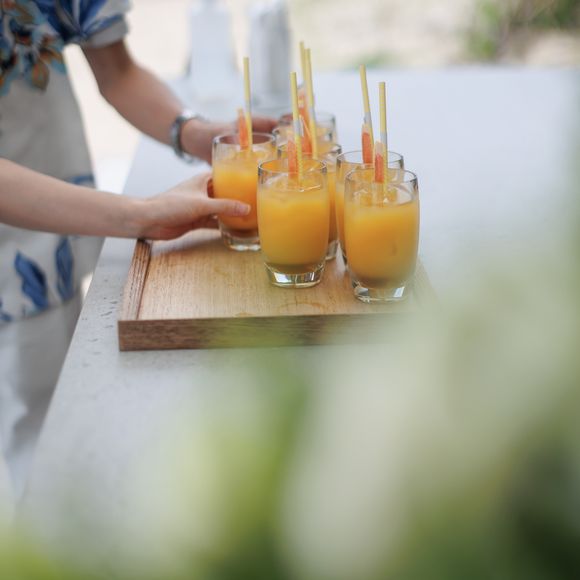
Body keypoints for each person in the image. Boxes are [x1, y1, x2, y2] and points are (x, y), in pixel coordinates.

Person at [0, 0, 275, 498]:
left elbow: (118, 72)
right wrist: (138, 215)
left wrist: (193, 133)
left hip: (55, 224)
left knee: (61, 427)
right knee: (37, 445)